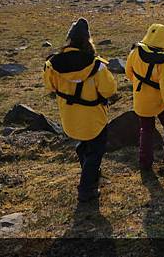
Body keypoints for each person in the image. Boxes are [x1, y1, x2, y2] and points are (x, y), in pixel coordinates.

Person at [43, 18, 117, 202]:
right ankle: (86, 189)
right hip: (94, 119)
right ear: (88, 39)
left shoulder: (53, 64)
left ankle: (90, 173)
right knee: (96, 151)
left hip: (70, 118)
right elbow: (109, 90)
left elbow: (50, 87)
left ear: (69, 39)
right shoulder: (97, 66)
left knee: (84, 146)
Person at [126, 23, 164, 169]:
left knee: (146, 130)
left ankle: (145, 163)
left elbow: (129, 72)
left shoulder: (135, 52)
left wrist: (139, 85)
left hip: (141, 101)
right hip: (160, 103)